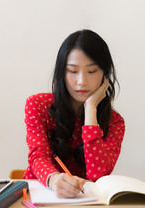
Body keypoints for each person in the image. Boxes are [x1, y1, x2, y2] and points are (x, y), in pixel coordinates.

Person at [23, 29, 125, 198]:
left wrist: (91, 108)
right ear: (62, 73)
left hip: (84, 203)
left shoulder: (115, 122)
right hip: (40, 197)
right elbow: (38, 156)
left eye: (91, 71)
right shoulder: (38, 105)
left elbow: (97, 174)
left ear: (105, 75)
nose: (82, 81)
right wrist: (54, 179)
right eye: (72, 71)